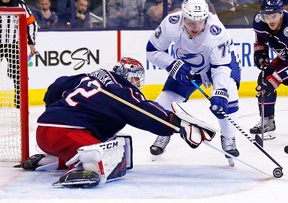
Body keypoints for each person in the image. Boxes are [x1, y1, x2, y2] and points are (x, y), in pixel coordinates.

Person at [20, 57, 216, 188]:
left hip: (44, 132)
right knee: (104, 158)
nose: (138, 84)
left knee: (101, 145)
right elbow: (143, 111)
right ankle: (80, 166)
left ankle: (48, 161)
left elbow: (57, 85)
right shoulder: (120, 91)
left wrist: (52, 111)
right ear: (128, 76)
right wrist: (174, 123)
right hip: (66, 134)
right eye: (137, 79)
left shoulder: (88, 77)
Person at [146, 0, 241, 162]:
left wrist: (219, 91)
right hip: (187, 64)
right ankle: (163, 133)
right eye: (190, 22)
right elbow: (152, 51)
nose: (195, 27)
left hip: (217, 65)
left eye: (200, 21)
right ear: (183, 16)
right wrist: (173, 65)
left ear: (206, 17)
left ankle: (229, 139)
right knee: (163, 103)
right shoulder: (171, 24)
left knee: (229, 94)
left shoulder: (216, 31)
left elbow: (221, 67)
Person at [249, 0, 288, 140]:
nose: (270, 21)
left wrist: (276, 79)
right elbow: (261, 39)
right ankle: (268, 122)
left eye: (274, 16)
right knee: (264, 80)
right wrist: (261, 53)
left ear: (281, 13)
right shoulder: (260, 22)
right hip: (285, 59)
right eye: (267, 16)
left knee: (270, 80)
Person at [0, 0, 38, 108]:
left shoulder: (20, 3)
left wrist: (31, 42)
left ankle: (20, 100)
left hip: (14, 45)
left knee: (19, 73)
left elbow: (31, 23)